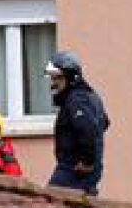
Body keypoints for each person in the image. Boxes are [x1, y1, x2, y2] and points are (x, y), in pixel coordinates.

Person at [46, 50, 109, 194]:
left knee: (51, 201)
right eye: (52, 78)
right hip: (81, 170)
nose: (53, 83)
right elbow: (104, 122)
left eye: (58, 78)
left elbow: (88, 128)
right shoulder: (90, 96)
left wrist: (87, 161)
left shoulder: (76, 99)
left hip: (73, 170)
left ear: (71, 77)